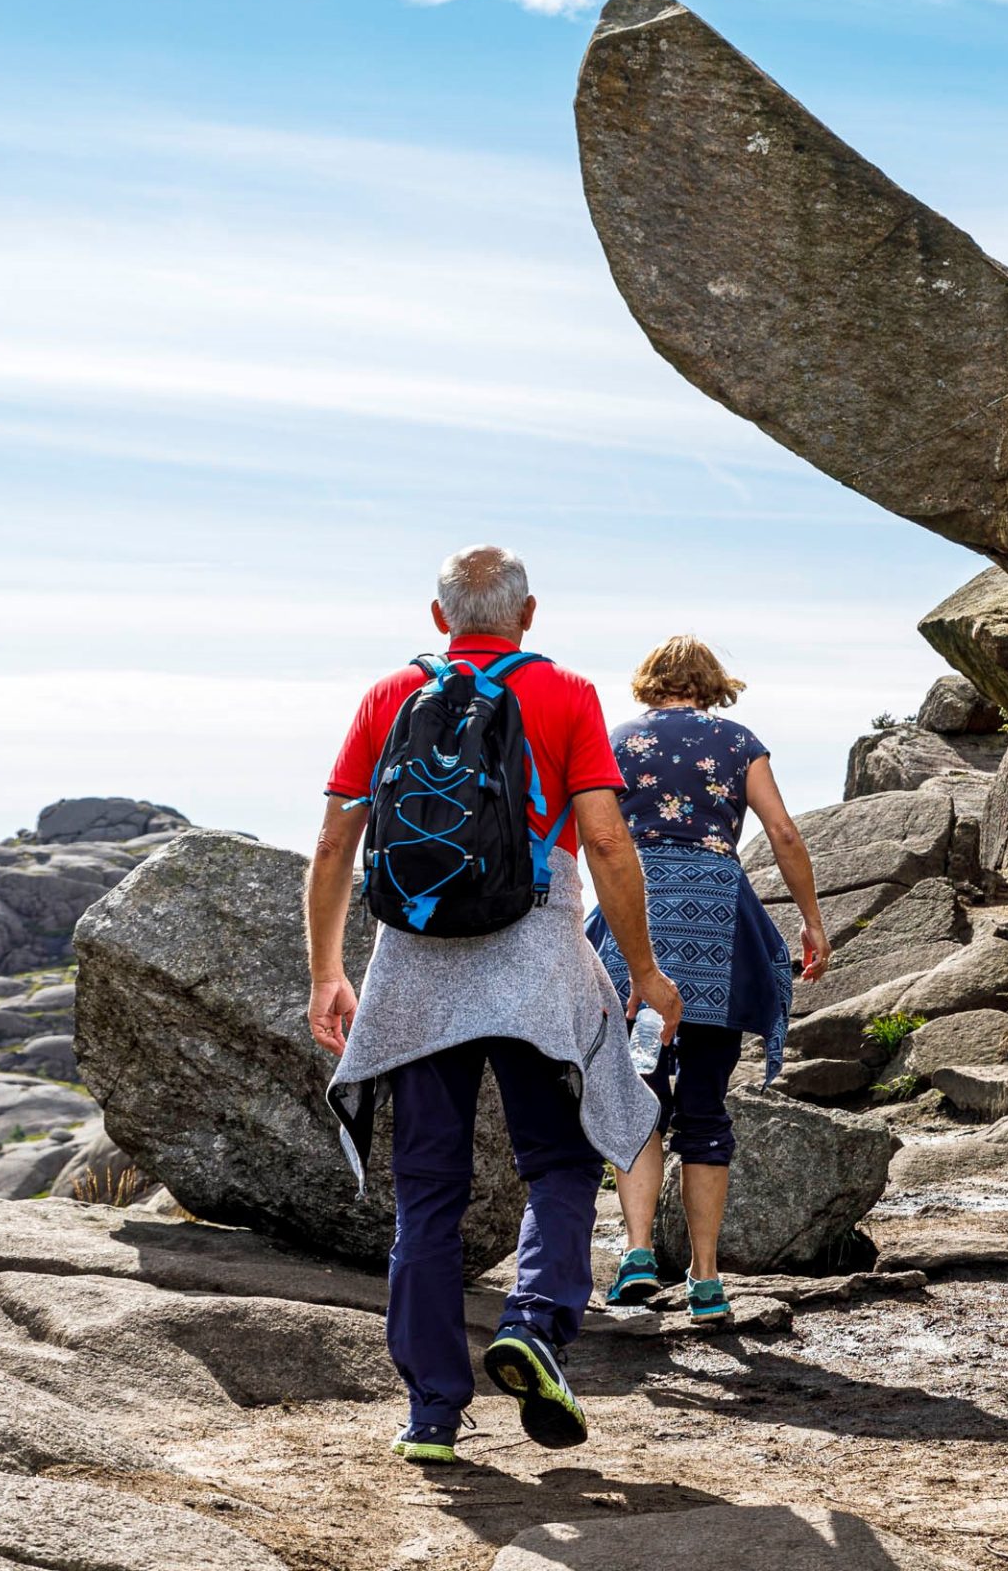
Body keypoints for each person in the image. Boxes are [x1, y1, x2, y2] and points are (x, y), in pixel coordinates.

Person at [303, 546, 681, 1466]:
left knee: (426, 1191)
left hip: (414, 971)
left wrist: (327, 973)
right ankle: (536, 1323)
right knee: (561, 1158)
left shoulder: (390, 694)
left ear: (440, 618)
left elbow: (335, 844)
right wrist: (643, 968)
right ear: (528, 613)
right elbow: (606, 841)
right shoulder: (566, 693)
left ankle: (431, 1413)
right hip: (534, 963)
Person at [591, 635, 828, 1326]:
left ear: (650, 681)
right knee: (704, 1107)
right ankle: (706, 1279)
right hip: (716, 926)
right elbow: (783, 833)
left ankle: (637, 1253)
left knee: (638, 1095)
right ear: (711, 683)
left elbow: (593, 838)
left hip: (635, 920)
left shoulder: (617, 741)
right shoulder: (738, 741)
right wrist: (812, 921)